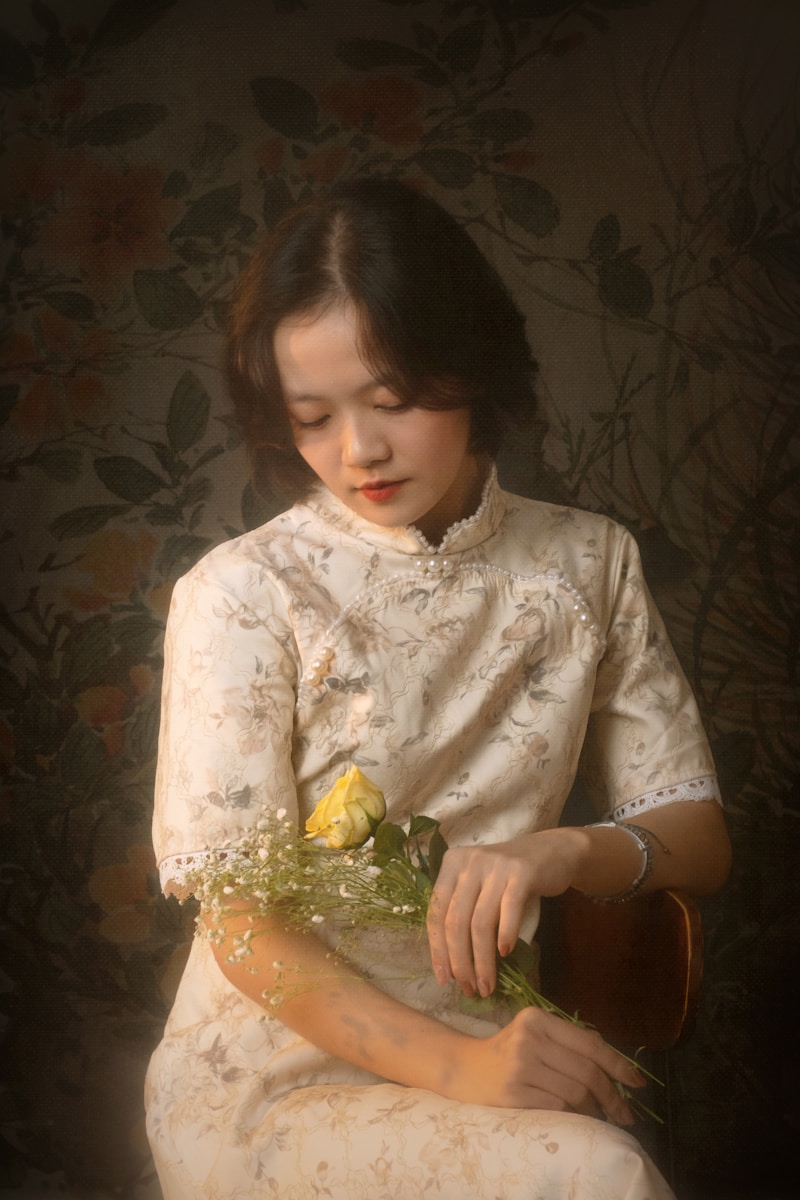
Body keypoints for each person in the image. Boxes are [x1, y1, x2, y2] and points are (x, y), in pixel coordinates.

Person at [145, 178, 731, 1199]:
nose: (356, 452)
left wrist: (556, 851)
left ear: (471, 368)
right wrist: (464, 1068)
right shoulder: (242, 592)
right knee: (594, 1175)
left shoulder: (586, 564)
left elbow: (694, 834)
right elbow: (238, 923)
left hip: (499, 1033)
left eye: (392, 400)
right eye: (312, 416)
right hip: (273, 1070)